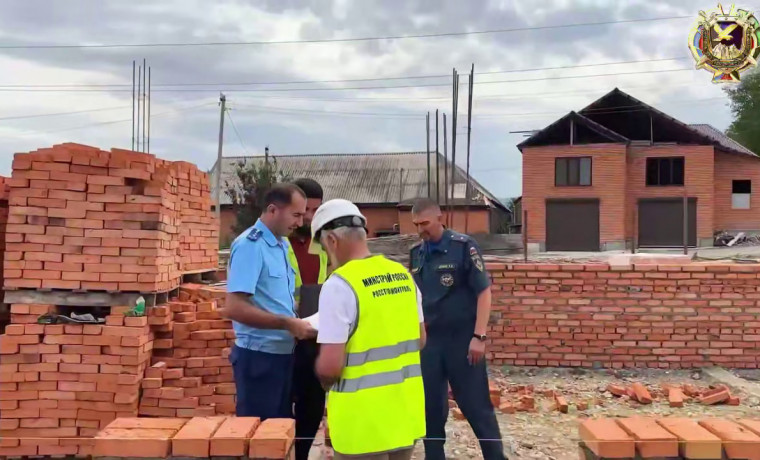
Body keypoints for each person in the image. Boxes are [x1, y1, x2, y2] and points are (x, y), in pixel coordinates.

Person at [312, 199, 426, 460]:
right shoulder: (401, 274)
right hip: (404, 416)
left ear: (331, 240)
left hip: (361, 426)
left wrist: (319, 375)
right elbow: (420, 339)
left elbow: (330, 367)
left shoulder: (339, 285)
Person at [409, 198, 506, 460]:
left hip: (462, 341)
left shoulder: (463, 247)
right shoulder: (416, 253)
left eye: (425, 223)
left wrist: (479, 336)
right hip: (430, 343)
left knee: (476, 405)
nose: (420, 229)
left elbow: (483, 292)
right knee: (431, 408)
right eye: (416, 224)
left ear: (439, 218)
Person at [222, 183, 317, 420]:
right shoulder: (250, 246)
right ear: (273, 210)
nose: (300, 222)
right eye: (295, 215)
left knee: (280, 428)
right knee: (262, 430)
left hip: (284, 353)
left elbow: (274, 298)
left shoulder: (281, 243)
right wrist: (286, 323)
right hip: (260, 358)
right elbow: (234, 307)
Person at [288, 178, 330, 460]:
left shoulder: (323, 243)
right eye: (306, 210)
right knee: (283, 405)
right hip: (284, 336)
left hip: (315, 336)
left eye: (316, 210)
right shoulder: (279, 241)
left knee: (312, 407)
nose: (310, 217)